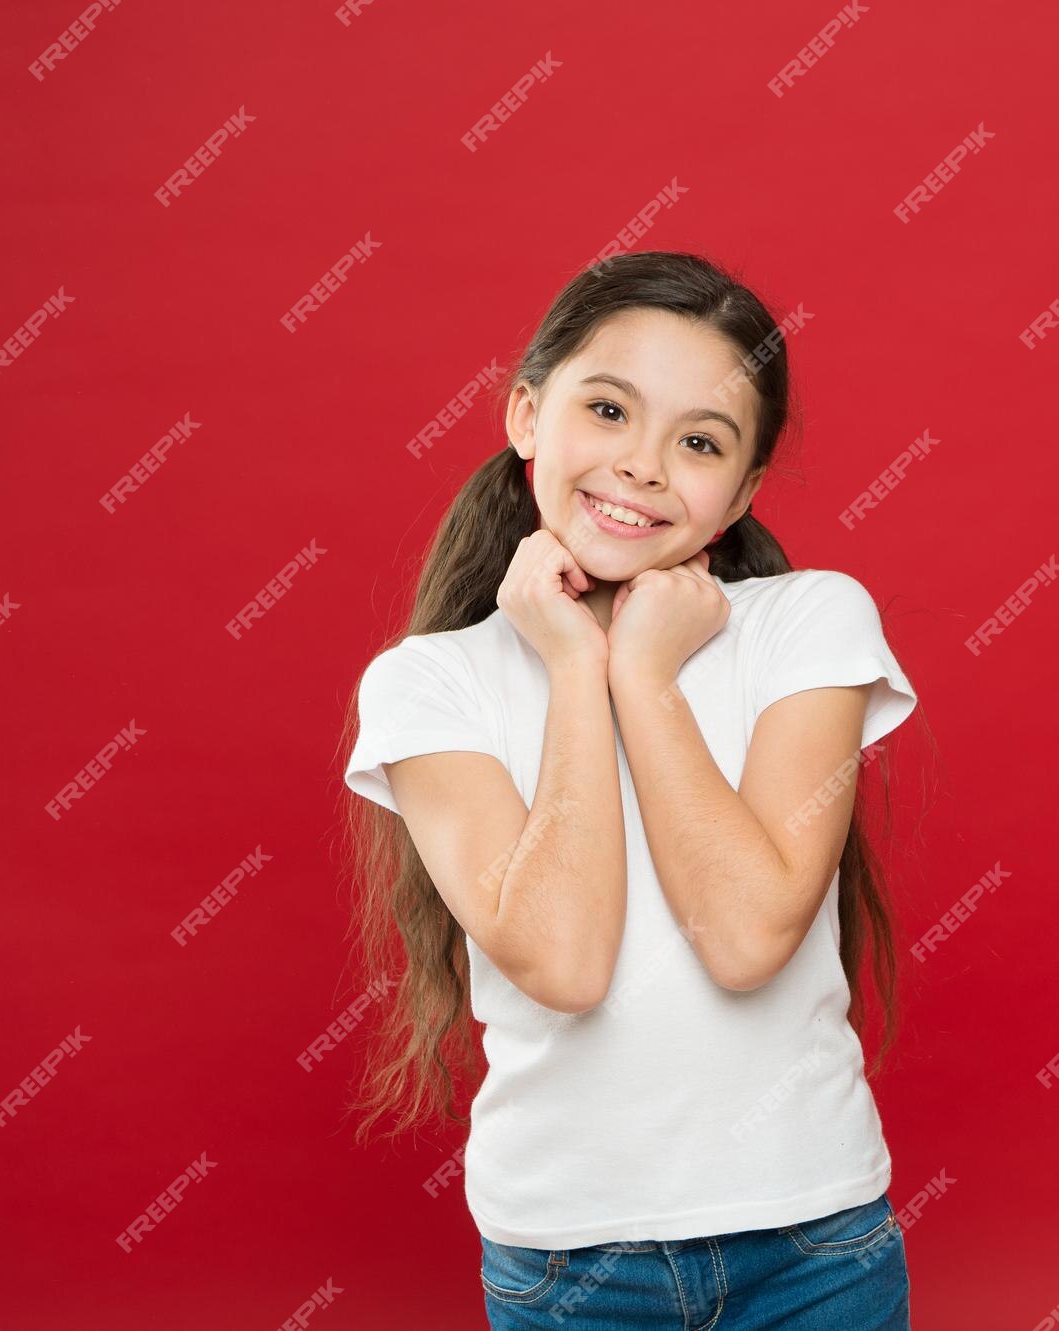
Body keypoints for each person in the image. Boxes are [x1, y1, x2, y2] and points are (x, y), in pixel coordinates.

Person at [337, 250, 921, 1328]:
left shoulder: (809, 623)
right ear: (525, 414)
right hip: (570, 1267)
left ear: (740, 490)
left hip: (811, 1245)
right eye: (607, 408)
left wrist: (644, 675)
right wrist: (572, 664)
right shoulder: (428, 683)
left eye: (698, 441)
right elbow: (561, 959)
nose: (642, 465)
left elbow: (748, 936)